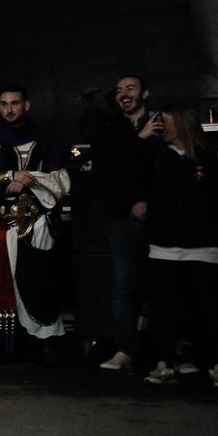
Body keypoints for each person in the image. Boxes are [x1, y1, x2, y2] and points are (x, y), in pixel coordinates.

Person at [0, 87, 72, 363]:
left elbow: (61, 178)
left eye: (14, 103)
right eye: (3, 104)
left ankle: (46, 341)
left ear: (27, 105)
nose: (9, 109)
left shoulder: (46, 140)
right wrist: (9, 176)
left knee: (40, 281)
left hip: (37, 224)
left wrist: (29, 179)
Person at [141, 105, 218, 387]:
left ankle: (216, 363)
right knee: (165, 308)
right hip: (165, 245)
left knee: (208, 309)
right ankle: (164, 361)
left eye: (168, 123)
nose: (163, 128)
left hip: (205, 246)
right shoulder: (158, 156)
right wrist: (141, 140)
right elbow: (133, 176)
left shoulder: (210, 159)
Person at [85, 76, 161, 371]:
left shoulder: (161, 124)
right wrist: (130, 205)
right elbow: (106, 174)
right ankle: (124, 349)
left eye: (130, 88)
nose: (123, 94)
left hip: (161, 218)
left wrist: (150, 203)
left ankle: (165, 350)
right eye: (118, 90)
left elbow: (165, 169)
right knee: (123, 284)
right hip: (122, 217)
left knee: (163, 284)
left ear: (146, 93)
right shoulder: (110, 131)